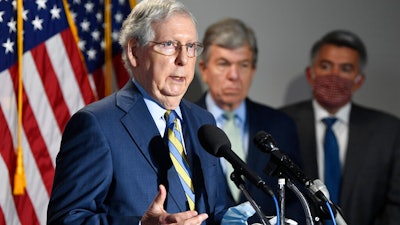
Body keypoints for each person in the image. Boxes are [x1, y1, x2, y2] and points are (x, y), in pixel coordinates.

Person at [47, 0, 233, 224]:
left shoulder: (203, 122)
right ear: (134, 52)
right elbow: (66, 220)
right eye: (169, 45)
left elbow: (218, 210)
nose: (183, 59)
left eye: (191, 47)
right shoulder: (96, 124)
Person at [281, 30, 400, 225]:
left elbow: (396, 206)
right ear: (310, 74)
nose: (334, 76)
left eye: (345, 69)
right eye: (326, 66)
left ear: (359, 80)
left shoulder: (389, 131)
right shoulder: (281, 122)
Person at [195, 18, 305, 224]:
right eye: (223, 64)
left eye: (243, 65)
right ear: (204, 69)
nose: (234, 75)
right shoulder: (182, 124)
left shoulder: (281, 125)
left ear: (253, 70)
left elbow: (297, 198)